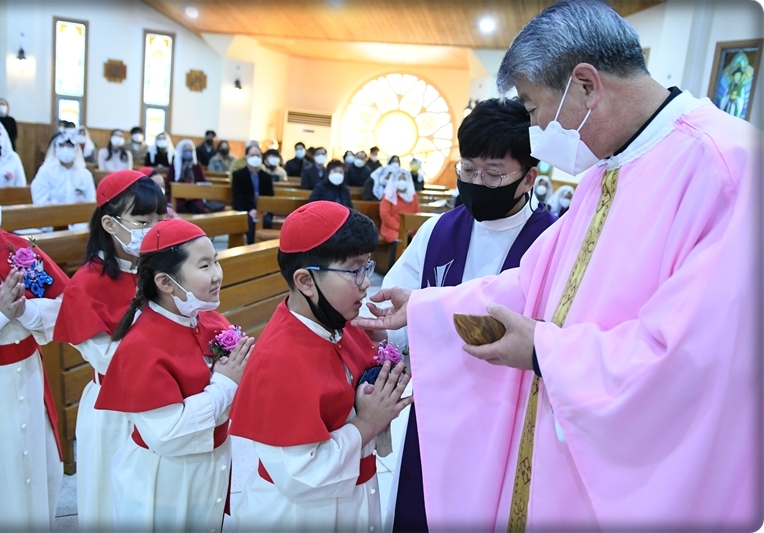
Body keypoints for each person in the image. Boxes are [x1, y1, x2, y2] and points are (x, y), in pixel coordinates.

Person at [353, 0, 760, 530]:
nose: (535, 128)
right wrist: (424, 307)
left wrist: (544, 350)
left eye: (531, 107)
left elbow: (696, 360)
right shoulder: (607, 171)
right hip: (559, 449)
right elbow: (537, 283)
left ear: (586, 85)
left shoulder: (727, 166)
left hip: (630, 474)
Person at [378, 98, 556, 531]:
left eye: (493, 174)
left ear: (529, 177)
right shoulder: (438, 231)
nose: (477, 182)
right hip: (437, 407)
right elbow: (393, 313)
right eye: (468, 170)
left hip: (511, 413)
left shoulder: (552, 240)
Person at [230, 201, 413, 532]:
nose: (365, 283)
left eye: (367, 267)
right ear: (306, 281)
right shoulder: (279, 360)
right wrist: (368, 422)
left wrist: (383, 353)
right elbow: (301, 476)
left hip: (352, 499)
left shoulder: (341, 323)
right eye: (355, 270)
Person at [94, 218, 253, 531]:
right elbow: (166, 434)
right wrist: (224, 385)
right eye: (204, 265)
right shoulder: (141, 345)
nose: (217, 274)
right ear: (165, 283)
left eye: (216, 261)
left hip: (211, 464)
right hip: (165, 477)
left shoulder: (210, 320)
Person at [53, 170, 166, 531]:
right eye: (143, 222)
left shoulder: (162, 272)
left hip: (165, 402)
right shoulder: (86, 285)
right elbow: (109, 359)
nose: (154, 229)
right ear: (110, 224)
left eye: (160, 219)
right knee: (110, 503)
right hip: (114, 406)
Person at [0, 153, 68, 531]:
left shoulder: (19, 249)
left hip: (29, 376)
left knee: (38, 472)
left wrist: (27, 313)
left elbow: (68, 305)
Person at [31, 135, 96, 205]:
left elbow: (91, 202)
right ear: (56, 148)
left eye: (70, 146)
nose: (66, 149)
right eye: (62, 145)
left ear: (76, 149)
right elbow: (39, 201)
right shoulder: (45, 172)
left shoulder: (85, 175)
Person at [231, 144, 274, 244]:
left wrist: (264, 210)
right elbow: (237, 198)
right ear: (246, 157)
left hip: (263, 210)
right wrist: (250, 210)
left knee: (267, 221)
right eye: (252, 155)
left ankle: (266, 248)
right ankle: (251, 248)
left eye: (258, 155)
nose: (255, 158)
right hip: (246, 209)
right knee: (250, 222)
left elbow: (270, 196)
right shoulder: (238, 175)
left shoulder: (266, 176)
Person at [166, 139, 210, 214]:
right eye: (185, 151)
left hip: (194, 196)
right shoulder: (175, 165)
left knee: (196, 209)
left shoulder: (196, 166)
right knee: (180, 209)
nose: (188, 153)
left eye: (190, 151)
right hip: (178, 195)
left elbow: (202, 181)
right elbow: (169, 182)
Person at [378, 168, 419, 245]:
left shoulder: (413, 196)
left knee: (419, 239)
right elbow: (385, 215)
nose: (402, 181)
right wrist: (401, 228)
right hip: (391, 228)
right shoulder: (388, 195)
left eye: (404, 179)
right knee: (399, 240)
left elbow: (417, 214)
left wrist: (411, 228)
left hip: (410, 229)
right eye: (399, 179)